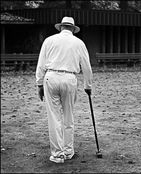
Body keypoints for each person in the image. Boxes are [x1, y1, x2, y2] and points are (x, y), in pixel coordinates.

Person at [36, 16, 93, 163]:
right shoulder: (79, 43)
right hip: (69, 79)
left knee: (54, 118)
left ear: (61, 27)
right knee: (69, 116)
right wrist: (88, 86)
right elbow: (86, 66)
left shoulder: (49, 40)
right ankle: (68, 151)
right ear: (73, 29)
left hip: (51, 77)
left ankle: (57, 154)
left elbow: (41, 64)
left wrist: (39, 84)